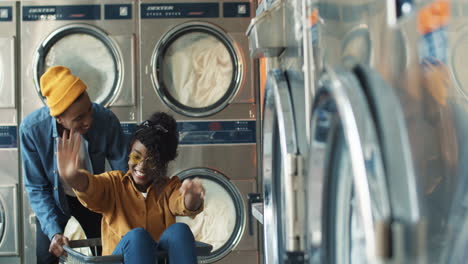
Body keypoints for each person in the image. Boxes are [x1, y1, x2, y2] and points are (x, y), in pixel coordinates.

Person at [57, 112, 205, 264]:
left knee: (180, 232)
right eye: (136, 157)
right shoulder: (114, 184)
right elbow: (91, 187)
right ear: (129, 154)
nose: (142, 166)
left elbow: (182, 203)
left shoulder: (169, 188)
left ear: (163, 164)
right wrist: (73, 177)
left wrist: (192, 197)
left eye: (152, 161)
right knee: (137, 238)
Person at [20, 66, 128, 263]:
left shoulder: (105, 119)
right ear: (58, 118)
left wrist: (129, 212)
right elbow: (37, 187)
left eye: (89, 109)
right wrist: (54, 233)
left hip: (93, 194)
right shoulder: (32, 130)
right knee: (47, 255)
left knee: (106, 254)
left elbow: (124, 172)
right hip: (54, 199)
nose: (89, 121)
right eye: (79, 118)